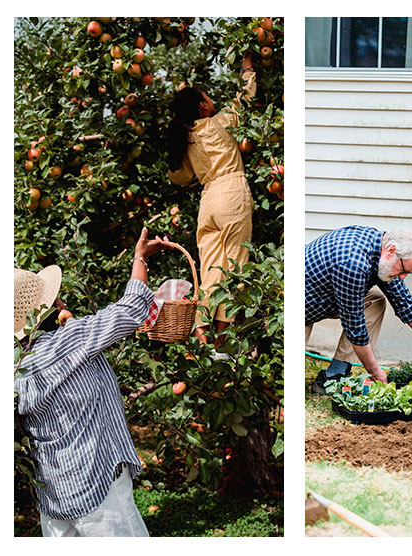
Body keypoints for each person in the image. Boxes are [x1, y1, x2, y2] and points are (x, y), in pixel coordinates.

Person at [14, 228, 172, 537]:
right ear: (43, 310)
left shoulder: (15, 365)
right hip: (96, 483)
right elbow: (129, 310)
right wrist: (140, 258)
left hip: (54, 491)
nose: (59, 299)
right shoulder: (71, 341)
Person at [167, 53, 257, 348]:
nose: (210, 98)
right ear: (203, 105)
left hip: (208, 201)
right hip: (231, 192)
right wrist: (247, 67)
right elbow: (245, 95)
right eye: (206, 96)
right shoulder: (219, 122)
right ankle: (221, 342)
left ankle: (201, 336)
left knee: (210, 270)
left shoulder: (187, 137)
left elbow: (179, 177)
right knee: (235, 265)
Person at [306, 226, 412, 390]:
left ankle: (336, 374)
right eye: (403, 271)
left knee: (375, 299)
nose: (402, 278)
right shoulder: (353, 262)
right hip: (301, 308)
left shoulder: (382, 251)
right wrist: (375, 371)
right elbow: (355, 328)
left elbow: (404, 302)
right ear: (391, 251)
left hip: (326, 299)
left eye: (408, 273)